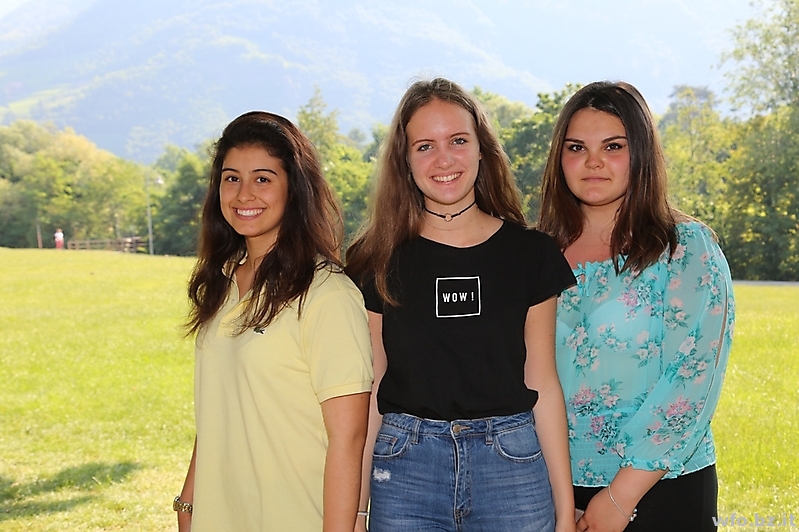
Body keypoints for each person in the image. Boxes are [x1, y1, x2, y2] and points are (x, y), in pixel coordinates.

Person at [346, 78, 577, 532]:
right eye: (425, 146)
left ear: (481, 149)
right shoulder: (375, 259)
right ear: (403, 160)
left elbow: (544, 384)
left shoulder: (531, 254)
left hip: (512, 468)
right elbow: (370, 392)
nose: (444, 160)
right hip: (404, 472)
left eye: (457, 140)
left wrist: (565, 511)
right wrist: (356, 509)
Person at [537, 81, 735, 532]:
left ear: (641, 152)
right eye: (576, 147)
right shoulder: (533, 254)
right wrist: (553, 495)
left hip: (662, 487)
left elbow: (693, 377)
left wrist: (619, 498)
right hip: (549, 489)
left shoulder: (685, 249)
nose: (593, 161)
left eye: (613, 146)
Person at [175, 111, 373, 532]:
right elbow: (219, 406)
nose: (244, 194)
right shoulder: (222, 282)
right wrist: (188, 503)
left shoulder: (326, 294)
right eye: (231, 178)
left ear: (294, 188)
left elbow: (348, 440)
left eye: (262, 178)